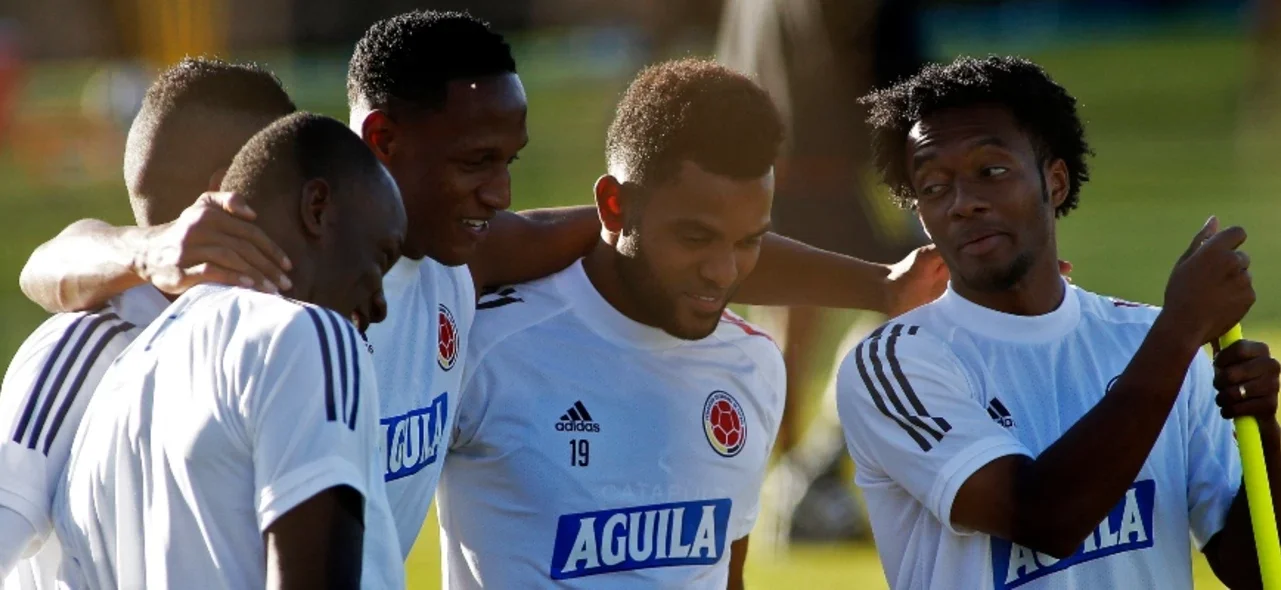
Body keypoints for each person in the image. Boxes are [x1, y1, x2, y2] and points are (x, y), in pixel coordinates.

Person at [19, 10, 945, 560]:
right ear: (380, 143)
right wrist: (149, 248)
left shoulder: (461, 263)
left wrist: (884, 286)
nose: (498, 192)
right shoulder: (247, 298)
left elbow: (666, 240)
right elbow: (53, 263)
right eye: (474, 162)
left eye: (509, 161)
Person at [836, 55, 1276, 589]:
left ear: (1056, 181)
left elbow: (1257, 570)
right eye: (933, 187)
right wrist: (1182, 330)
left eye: (991, 171)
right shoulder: (896, 363)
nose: (963, 203)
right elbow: (1042, 518)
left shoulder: (1147, 340)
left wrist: (1263, 425)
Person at [437, 58, 784, 589]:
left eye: (748, 242)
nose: (723, 273)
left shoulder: (753, 365)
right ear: (614, 205)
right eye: (695, 238)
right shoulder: (487, 346)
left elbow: (722, 573)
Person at [54, 112, 406, 589]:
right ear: (318, 207)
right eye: (381, 258)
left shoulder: (118, 387)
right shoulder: (307, 337)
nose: (380, 304)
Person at [0, 57, 296, 590]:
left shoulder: (275, 339)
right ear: (232, 191)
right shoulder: (89, 351)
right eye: (297, 181)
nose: (313, 212)